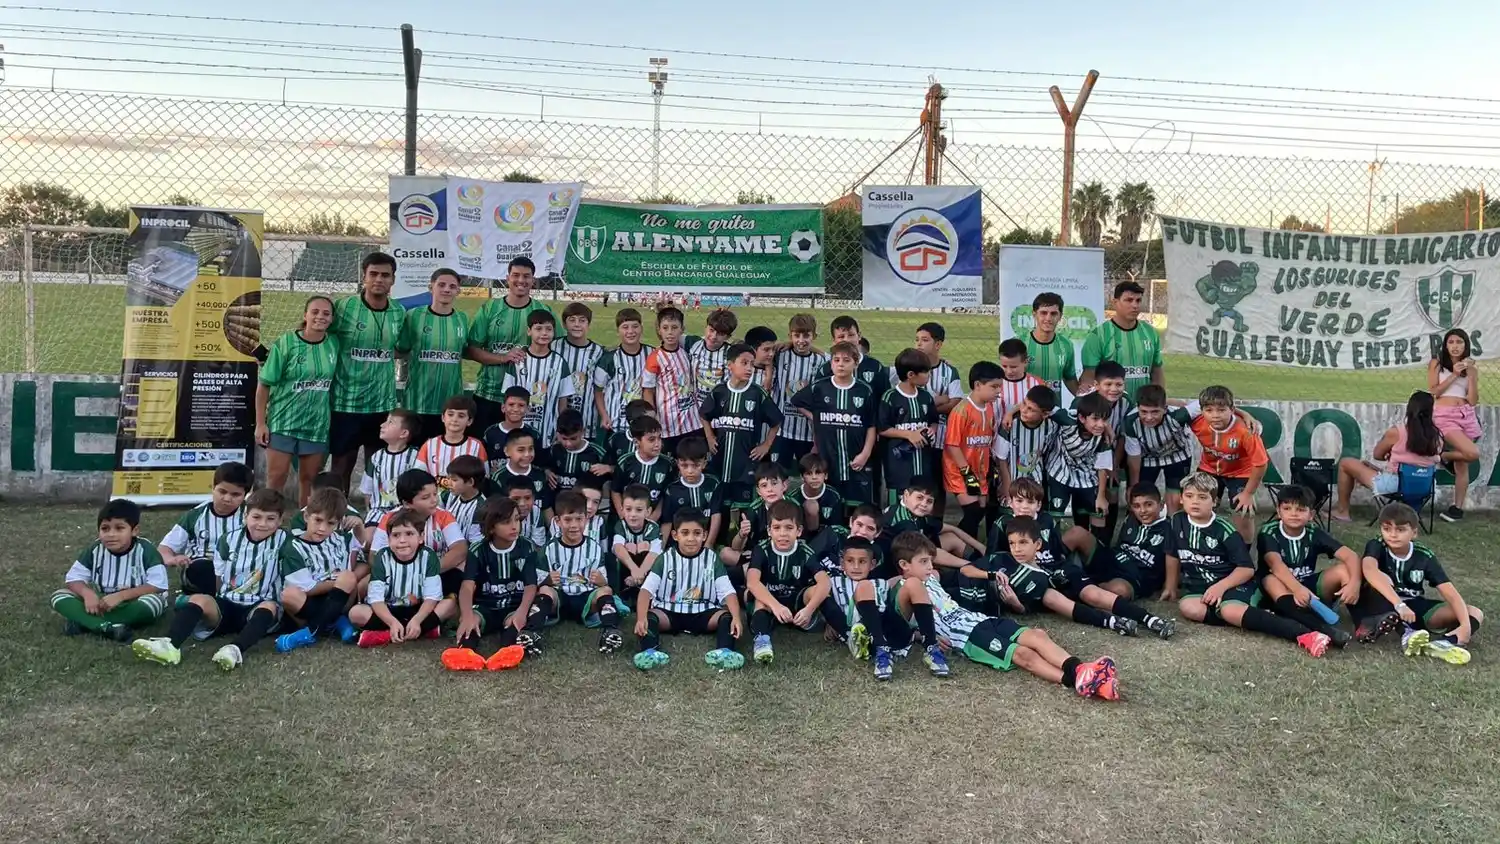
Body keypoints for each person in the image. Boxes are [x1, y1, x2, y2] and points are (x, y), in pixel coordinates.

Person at [893, 531, 1120, 696]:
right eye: (923, 562)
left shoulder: (931, 577)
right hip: (966, 637)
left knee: (1038, 636)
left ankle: (1081, 669)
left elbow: (950, 562)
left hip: (980, 619)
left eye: (930, 561)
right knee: (1024, 655)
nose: (930, 566)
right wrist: (921, 636)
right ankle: (1077, 682)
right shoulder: (904, 589)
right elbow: (900, 619)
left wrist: (984, 572)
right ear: (904, 564)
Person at [1159, 473, 1331, 657]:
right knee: (1188, 607)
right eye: (1189, 496)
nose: (1195, 502)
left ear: (1215, 501)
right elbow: (1172, 554)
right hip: (1202, 588)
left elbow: (1246, 569)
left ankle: (1304, 634)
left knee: (1229, 609)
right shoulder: (1176, 521)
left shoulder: (1225, 530)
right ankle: (1251, 615)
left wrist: (1220, 587)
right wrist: (1170, 586)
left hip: (1236, 584)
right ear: (1181, 499)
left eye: (1202, 497)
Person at [133, 489, 291, 671]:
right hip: (228, 602)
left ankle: (234, 650)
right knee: (200, 599)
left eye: (270, 519)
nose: (262, 524)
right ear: (245, 515)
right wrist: (215, 600)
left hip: (260, 606)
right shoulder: (228, 540)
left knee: (269, 607)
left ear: (280, 521)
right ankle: (170, 645)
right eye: (256, 517)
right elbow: (219, 576)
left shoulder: (286, 541)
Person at [1352, 502, 1482, 664]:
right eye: (1387, 529)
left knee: (1474, 612)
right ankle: (1407, 634)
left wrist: (1465, 625)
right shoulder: (1377, 545)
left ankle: (1444, 643)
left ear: (1414, 533)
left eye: (1400, 530)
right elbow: (1369, 569)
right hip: (1384, 604)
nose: (1392, 535)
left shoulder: (1424, 555)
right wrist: (1399, 604)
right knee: (1381, 579)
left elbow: (1449, 592)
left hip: (1413, 607)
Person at [632, 508, 746, 671]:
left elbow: (728, 591)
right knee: (650, 617)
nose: (691, 538)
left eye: (697, 533)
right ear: (675, 535)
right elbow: (645, 591)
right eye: (685, 533)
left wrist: (736, 617)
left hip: (703, 612)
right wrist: (641, 618)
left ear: (704, 536)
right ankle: (650, 652)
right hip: (669, 611)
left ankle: (725, 651)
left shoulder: (712, 558)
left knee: (726, 617)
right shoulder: (665, 558)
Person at [329, 252, 406, 492]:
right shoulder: (343, 307)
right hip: (346, 401)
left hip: (381, 403)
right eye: (373, 274)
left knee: (379, 463)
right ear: (364, 277)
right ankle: (338, 515)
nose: (379, 280)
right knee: (342, 463)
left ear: (393, 279)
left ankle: (377, 513)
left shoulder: (398, 312)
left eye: (385, 275)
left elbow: (401, 349)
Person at [441, 497, 544, 671]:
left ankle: (506, 651)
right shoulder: (477, 550)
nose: (514, 526)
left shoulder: (526, 547)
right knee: (472, 622)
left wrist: (521, 612)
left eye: (517, 520)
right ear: (490, 527)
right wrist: (466, 615)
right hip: (485, 606)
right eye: (506, 522)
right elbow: (467, 586)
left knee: (515, 625)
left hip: (514, 605)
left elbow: (530, 585)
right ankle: (465, 652)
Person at [256, 295, 338, 506]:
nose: (320, 316)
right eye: (315, 312)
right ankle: (269, 521)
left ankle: (304, 525)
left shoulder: (334, 344)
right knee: (276, 477)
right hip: (284, 422)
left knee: (310, 480)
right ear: (305, 315)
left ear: (332, 319)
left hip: (316, 425)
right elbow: (264, 384)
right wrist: (261, 423)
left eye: (326, 313)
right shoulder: (286, 343)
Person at [52, 498, 169, 641]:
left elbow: (158, 585)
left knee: (152, 603)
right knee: (59, 596)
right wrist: (88, 594)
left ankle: (87, 622)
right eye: (105, 528)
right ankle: (107, 627)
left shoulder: (146, 550)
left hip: (134, 602)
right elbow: (73, 579)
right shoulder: (95, 549)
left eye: (119, 528)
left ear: (134, 531)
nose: (111, 534)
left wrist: (121, 596)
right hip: (103, 602)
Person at [1256, 485, 1358, 647]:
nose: (1294, 513)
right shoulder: (1268, 532)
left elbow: (1350, 556)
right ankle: (1325, 629)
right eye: (1287, 508)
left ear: (1311, 515)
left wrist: (1354, 584)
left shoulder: (1313, 532)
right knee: (1270, 580)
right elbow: (1275, 565)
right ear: (1278, 511)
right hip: (1277, 590)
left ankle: (1362, 625)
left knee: (1344, 571)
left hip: (1305, 586)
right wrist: (1297, 589)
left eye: (1301, 509)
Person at [466, 256, 552, 434]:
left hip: (525, 399)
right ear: (508, 278)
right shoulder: (490, 309)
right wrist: (503, 358)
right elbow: (471, 349)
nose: (521, 280)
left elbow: (558, 345)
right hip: (489, 393)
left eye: (526, 276)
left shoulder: (542, 311)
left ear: (533, 280)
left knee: (521, 451)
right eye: (516, 275)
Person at [350, 507, 457, 647]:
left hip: (418, 610)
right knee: (355, 613)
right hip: (388, 610)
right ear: (388, 539)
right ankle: (416, 631)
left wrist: (417, 620)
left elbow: (432, 596)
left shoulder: (429, 556)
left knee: (450, 604)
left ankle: (388, 634)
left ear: (420, 537)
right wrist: (392, 622)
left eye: (409, 534)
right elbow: (376, 599)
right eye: (395, 535)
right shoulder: (382, 557)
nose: (402, 540)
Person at [274, 487, 362, 652]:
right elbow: (306, 588)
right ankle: (334, 623)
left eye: (330, 523)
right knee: (289, 594)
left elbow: (365, 549)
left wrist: (359, 527)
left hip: (340, 597)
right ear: (306, 516)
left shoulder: (342, 539)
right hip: (312, 599)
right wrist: (335, 583)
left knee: (349, 577)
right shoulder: (293, 547)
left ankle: (310, 633)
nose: (322, 528)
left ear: (338, 523)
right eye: (318, 520)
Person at [1334, 390, 1445, 521]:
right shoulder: (1437, 436)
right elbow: (1418, 461)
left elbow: (1377, 454)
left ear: (1410, 409)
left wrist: (1390, 455)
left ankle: (1342, 511)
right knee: (1369, 467)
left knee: (1346, 463)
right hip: (1426, 486)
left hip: (1396, 484)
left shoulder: (1397, 432)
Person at [535, 490, 624, 654]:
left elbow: (604, 582)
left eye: (579, 519)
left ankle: (610, 630)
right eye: (568, 520)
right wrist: (547, 580)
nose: (574, 525)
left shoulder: (595, 548)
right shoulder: (548, 549)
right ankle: (532, 631)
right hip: (560, 597)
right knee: (545, 591)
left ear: (586, 519)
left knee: (605, 591)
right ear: (557, 521)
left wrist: (601, 581)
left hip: (585, 598)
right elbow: (538, 583)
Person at [813, 536, 912, 680]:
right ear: (842, 563)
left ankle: (885, 646)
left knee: (889, 606)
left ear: (872, 565)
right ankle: (878, 648)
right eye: (850, 561)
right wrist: (828, 622)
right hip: (857, 633)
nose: (856, 567)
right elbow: (822, 600)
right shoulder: (833, 582)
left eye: (862, 561)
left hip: (883, 627)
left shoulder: (881, 584)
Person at [700, 343, 782, 512]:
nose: (749, 368)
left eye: (752, 364)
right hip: (720, 459)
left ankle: (742, 535)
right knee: (720, 507)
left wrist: (766, 445)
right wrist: (709, 436)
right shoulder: (719, 391)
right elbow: (703, 414)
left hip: (745, 463)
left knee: (744, 508)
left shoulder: (757, 394)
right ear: (730, 365)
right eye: (744, 363)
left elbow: (776, 421)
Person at [793, 341, 876, 507]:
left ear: (855, 363)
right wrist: (815, 417)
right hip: (827, 456)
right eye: (836, 360)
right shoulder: (820, 387)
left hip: (855, 458)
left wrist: (865, 455)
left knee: (857, 506)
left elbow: (871, 426)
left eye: (846, 360)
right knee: (830, 505)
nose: (840, 364)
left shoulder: (864, 390)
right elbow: (797, 401)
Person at [744, 500, 828, 664]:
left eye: (789, 528)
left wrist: (809, 610)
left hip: (796, 601)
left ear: (799, 530)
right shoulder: (761, 549)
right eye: (777, 528)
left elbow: (825, 582)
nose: (782, 533)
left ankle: (846, 634)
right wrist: (776, 606)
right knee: (758, 598)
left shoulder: (804, 550)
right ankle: (762, 641)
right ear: (769, 531)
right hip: (770, 601)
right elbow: (752, 582)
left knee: (817, 590)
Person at [396, 268, 471, 443]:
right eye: (441, 285)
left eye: (452, 286)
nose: (446, 289)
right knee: (415, 457)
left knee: (442, 459)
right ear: (431, 287)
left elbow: (466, 350)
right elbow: (401, 348)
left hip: (449, 407)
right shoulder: (413, 316)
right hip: (417, 401)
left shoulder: (462, 319)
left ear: (458, 291)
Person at [157, 461, 252, 596]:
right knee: (202, 568)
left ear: (245, 495)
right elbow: (164, 549)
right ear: (213, 487)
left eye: (235, 495)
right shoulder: (195, 515)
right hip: (204, 569)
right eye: (222, 491)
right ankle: (216, 601)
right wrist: (172, 559)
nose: (227, 498)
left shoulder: (251, 516)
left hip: (237, 569)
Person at [369, 468, 469, 596]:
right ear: (406, 503)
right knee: (365, 584)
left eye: (435, 494)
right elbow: (374, 555)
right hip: (397, 574)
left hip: (437, 572)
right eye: (426, 497)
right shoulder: (389, 519)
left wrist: (427, 571)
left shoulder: (443, 516)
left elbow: (460, 549)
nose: (434, 500)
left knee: (462, 567)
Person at [1188, 385, 1269, 542]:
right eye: (1209, 410)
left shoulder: (1246, 431)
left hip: (1240, 473)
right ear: (1201, 411)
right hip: (1209, 469)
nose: (1215, 415)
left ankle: (1244, 555)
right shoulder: (1197, 421)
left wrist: (1248, 494)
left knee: (1243, 511)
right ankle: (1201, 544)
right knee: (1199, 505)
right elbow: (1167, 404)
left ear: (1231, 409)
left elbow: (1261, 464)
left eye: (1221, 410)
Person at [943, 361, 1003, 540]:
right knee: (973, 511)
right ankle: (953, 547)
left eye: (1000, 387)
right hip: (961, 472)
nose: (998, 391)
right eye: (994, 387)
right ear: (977, 385)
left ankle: (970, 553)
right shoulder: (961, 411)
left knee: (980, 511)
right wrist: (967, 474)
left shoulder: (990, 407)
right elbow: (953, 445)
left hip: (981, 472)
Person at [1428, 328, 1483, 522]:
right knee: (1472, 453)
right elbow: (1434, 391)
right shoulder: (1437, 364)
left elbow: (1473, 400)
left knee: (1462, 464)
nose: (1455, 346)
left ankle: (1456, 508)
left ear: (1466, 345)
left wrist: (1472, 376)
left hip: (1466, 414)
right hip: (1444, 416)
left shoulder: (1471, 369)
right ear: (1445, 345)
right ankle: (1441, 457)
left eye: (1459, 342)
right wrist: (1454, 373)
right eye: (1451, 342)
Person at [1043, 391, 1114, 538]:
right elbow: (1039, 401)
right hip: (1060, 473)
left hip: (1086, 476)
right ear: (1081, 418)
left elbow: (1102, 468)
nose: (1101, 424)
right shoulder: (1067, 419)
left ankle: (1094, 551)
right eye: (1095, 419)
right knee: (1054, 515)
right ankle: (1053, 553)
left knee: (1097, 511)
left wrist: (1101, 496)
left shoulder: (1104, 438)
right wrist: (1010, 413)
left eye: (1105, 420)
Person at [502, 310, 575, 448]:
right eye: (538, 329)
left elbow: (563, 400)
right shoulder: (518, 360)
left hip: (549, 432)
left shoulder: (560, 362)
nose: (544, 333)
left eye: (549, 329)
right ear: (529, 331)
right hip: (519, 431)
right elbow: (508, 396)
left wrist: (561, 428)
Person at [1080, 280, 1163, 398]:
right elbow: (1089, 375)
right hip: (1110, 408)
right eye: (1129, 300)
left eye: (1138, 300)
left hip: (1143, 409)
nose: (1135, 305)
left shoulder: (1150, 332)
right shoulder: (1099, 335)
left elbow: (1156, 370)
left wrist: (1160, 398)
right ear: (1115, 302)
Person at [1122, 384, 1196, 513]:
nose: (1149, 417)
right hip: (1148, 458)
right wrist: (1134, 486)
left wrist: (1243, 415)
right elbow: (1134, 457)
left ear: (1165, 408)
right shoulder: (1131, 422)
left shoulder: (1178, 415)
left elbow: (1209, 401)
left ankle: (1172, 525)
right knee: (1140, 496)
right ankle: (1140, 528)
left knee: (1175, 498)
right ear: (1137, 407)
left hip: (1177, 455)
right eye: (1144, 412)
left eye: (1155, 411)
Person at [878, 348, 938, 505]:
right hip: (899, 465)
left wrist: (932, 430)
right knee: (899, 504)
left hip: (923, 463)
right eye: (926, 372)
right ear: (911, 375)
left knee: (922, 501)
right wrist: (908, 434)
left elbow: (934, 420)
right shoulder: (890, 397)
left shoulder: (925, 397)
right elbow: (882, 428)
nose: (929, 375)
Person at [770, 313, 828, 470]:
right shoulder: (779, 355)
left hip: (807, 432)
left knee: (811, 474)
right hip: (782, 430)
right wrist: (785, 344)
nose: (801, 340)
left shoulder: (821, 361)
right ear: (790, 336)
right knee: (778, 473)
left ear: (814, 336)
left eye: (806, 335)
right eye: (796, 335)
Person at [642, 305, 701, 456]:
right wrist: (651, 416)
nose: (670, 332)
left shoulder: (687, 351)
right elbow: (648, 390)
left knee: (693, 460)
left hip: (692, 421)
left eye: (674, 327)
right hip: (668, 424)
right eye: (665, 328)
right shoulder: (654, 358)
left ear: (682, 329)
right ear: (659, 330)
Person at [991, 384, 1062, 507]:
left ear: (1045, 414)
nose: (1024, 410)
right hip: (1012, 481)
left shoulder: (1052, 427)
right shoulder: (1010, 425)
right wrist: (1007, 487)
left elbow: (1047, 454)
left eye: (1031, 409)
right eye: (1023, 404)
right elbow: (1001, 459)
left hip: (1036, 483)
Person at [593, 307, 654, 442]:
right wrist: (604, 415)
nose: (630, 331)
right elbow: (598, 390)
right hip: (615, 424)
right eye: (625, 327)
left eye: (635, 326)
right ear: (618, 331)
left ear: (641, 328)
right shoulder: (608, 359)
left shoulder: (652, 354)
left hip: (643, 425)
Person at [553, 301, 605, 439]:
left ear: (588, 324)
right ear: (564, 324)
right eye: (572, 320)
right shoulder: (554, 346)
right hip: (556, 415)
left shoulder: (598, 351)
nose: (577, 324)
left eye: (582, 321)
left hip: (586, 417)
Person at [359, 409, 420, 525]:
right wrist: (370, 512)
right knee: (368, 538)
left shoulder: (415, 457)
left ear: (404, 433)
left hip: (405, 512)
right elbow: (368, 491)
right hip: (378, 512)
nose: (382, 425)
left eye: (390, 422)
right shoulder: (376, 458)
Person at [415, 394, 487, 492]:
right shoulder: (429, 445)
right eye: (450, 414)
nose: (454, 419)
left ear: (469, 421)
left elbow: (484, 478)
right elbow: (418, 474)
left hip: (463, 500)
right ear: (443, 417)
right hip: (434, 499)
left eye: (461, 416)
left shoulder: (476, 446)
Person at [660, 437, 723, 547]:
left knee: (727, 554)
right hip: (679, 545)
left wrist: (708, 545)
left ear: (704, 463)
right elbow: (667, 522)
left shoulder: (713, 484)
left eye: (696, 465)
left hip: (706, 542)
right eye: (684, 466)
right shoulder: (671, 490)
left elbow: (715, 515)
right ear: (678, 464)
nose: (690, 471)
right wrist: (661, 548)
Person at [612, 415, 675, 521]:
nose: (657, 444)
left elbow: (666, 495)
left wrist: (656, 515)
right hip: (628, 518)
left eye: (659, 438)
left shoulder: (667, 464)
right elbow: (615, 490)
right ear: (637, 442)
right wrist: (622, 513)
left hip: (654, 520)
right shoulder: (625, 462)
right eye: (651, 440)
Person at [610, 483, 663, 607]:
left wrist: (640, 573)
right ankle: (622, 593)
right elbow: (617, 548)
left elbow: (655, 553)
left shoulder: (652, 527)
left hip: (645, 570)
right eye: (628, 509)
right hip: (628, 569)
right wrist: (634, 569)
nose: (633, 514)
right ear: (622, 509)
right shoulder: (621, 525)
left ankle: (645, 589)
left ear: (648, 511)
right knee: (624, 550)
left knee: (645, 548)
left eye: (639, 510)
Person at [1022, 292, 1080, 398]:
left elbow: (1069, 378)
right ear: (1034, 315)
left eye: (1053, 314)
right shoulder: (1019, 343)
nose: (1048, 318)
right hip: (1025, 410)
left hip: (1054, 410)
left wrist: (1085, 400)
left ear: (1060, 316)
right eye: (1043, 313)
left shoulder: (1066, 345)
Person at [481, 386, 545, 475]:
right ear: (503, 407)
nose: (515, 409)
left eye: (521, 405)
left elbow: (539, 464)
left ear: (528, 409)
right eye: (511, 405)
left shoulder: (534, 434)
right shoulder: (490, 433)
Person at [547, 409, 611, 497]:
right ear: (557, 434)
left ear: (582, 432)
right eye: (564, 439)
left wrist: (609, 468)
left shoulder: (596, 452)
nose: (568, 443)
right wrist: (546, 472)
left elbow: (618, 471)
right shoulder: (554, 449)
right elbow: (541, 468)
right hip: (557, 503)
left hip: (585, 506)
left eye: (573, 438)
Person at [690, 307, 739, 412]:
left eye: (720, 334)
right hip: (694, 410)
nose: (713, 336)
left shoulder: (732, 353)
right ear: (706, 327)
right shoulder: (692, 343)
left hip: (719, 410)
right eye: (711, 330)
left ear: (727, 337)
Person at [787, 453, 845, 541]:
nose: (814, 477)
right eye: (809, 473)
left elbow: (837, 526)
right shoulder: (793, 497)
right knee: (811, 506)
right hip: (802, 539)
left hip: (827, 539)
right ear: (802, 477)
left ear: (825, 476)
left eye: (818, 473)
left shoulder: (834, 495)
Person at [438, 454, 488, 545]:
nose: (448, 483)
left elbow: (476, 543)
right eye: (448, 478)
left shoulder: (481, 508)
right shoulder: (447, 496)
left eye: (454, 480)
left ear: (470, 482)